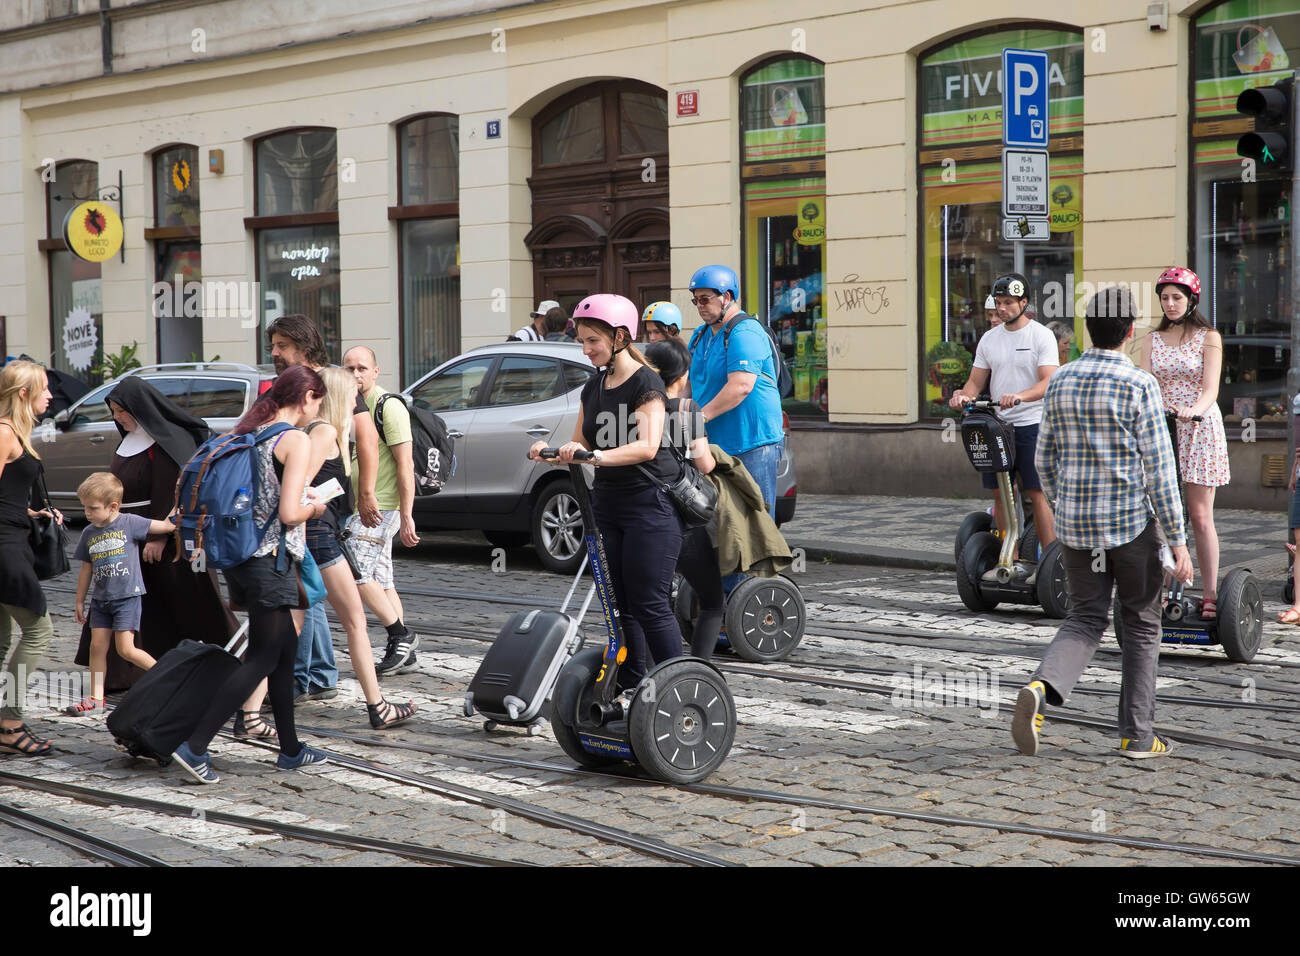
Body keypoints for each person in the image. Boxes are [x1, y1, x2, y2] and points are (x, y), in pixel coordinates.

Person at [1012, 285, 1192, 760]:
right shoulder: (1139, 384)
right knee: (1140, 623)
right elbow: (1159, 469)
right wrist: (1178, 541)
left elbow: (1044, 458)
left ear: (1088, 329)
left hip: (1075, 530)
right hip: (1131, 526)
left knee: (1085, 618)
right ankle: (1138, 736)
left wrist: (1066, 502)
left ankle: (1042, 686)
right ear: (1130, 331)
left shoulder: (1063, 380)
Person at [172, 365, 331, 784]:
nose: (319, 408)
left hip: (242, 558)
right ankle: (195, 746)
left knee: (284, 650)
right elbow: (290, 512)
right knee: (262, 656)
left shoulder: (251, 434)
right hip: (270, 560)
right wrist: (317, 506)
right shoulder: (293, 439)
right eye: (319, 400)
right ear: (307, 398)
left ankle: (291, 749)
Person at [529, 294, 685, 687]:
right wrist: (552, 453)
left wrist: (593, 456)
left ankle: (680, 686)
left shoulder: (647, 384)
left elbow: (647, 446)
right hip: (608, 506)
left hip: (651, 507)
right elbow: (579, 442)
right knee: (619, 606)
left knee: (649, 603)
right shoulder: (593, 386)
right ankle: (633, 686)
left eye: (592, 341)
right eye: (581, 341)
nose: (586, 349)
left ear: (619, 337)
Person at [70, 376, 234, 699]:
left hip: (162, 538)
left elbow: (172, 493)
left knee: (188, 607)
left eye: (120, 411)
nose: (117, 417)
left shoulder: (166, 442)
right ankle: (128, 673)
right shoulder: (129, 439)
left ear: (138, 408)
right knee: (141, 609)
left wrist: (161, 538)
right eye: (114, 411)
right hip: (128, 538)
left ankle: (224, 667)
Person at [299, 366, 416, 728]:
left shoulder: (335, 434)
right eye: (352, 395)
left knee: (291, 625)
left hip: (322, 535)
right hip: (318, 537)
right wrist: (315, 506)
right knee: (354, 621)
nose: (357, 402)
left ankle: (251, 707)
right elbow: (298, 489)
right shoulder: (324, 434)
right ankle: (377, 706)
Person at [948, 273, 1059, 574]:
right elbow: (973, 384)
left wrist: (1021, 397)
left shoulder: (1040, 336)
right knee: (1001, 491)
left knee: (1036, 493)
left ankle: (1050, 564)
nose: (1002, 309)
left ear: (1024, 303)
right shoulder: (989, 339)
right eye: (999, 303)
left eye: (1009, 303)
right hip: (999, 426)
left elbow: (1049, 380)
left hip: (1032, 423)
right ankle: (1007, 559)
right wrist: (961, 397)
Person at [1139, 267, 1230, 620]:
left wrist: (1193, 410)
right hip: (1164, 429)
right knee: (1163, 516)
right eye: (1165, 298)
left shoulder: (1209, 337)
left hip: (1199, 428)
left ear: (1191, 299)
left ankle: (1209, 594)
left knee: (1200, 516)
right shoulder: (1152, 340)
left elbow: (1211, 389)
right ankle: (1160, 592)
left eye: (1177, 297)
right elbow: (1147, 385)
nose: (1170, 303)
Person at [68, 472, 179, 714]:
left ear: (113, 506)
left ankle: (170, 678)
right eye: (85, 507)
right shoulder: (88, 532)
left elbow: (167, 527)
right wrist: (79, 600)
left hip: (127, 597)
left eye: (92, 508)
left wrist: (177, 504)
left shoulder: (130, 522)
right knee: (96, 647)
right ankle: (96, 698)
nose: (87, 513)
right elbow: (86, 570)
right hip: (100, 600)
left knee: (126, 649)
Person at [342, 346, 422, 675]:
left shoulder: (388, 406)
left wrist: (407, 515)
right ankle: (405, 654)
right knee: (382, 580)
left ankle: (401, 635)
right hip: (366, 504)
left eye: (362, 368)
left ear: (376, 372)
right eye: (349, 369)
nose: (356, 374)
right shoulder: (349, 406)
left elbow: (405, 465)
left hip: (381, 505)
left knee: (353, 570)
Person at [686, 265, 784, 519]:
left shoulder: (746, 331)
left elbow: (740, 386)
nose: (699, 306)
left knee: (756, 522)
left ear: (727, 297)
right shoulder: (700, 336)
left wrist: (698, 418)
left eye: (705, 299)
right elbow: (689, 382)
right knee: (724, 525)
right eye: (695, 300)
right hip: (714, 444)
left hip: (751, 444)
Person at [0, 361, 62, 756]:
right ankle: (10, 723)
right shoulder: (4, 433)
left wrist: (30, 513)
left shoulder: (15, 433)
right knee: (39, 630)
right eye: (44, 388)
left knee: (2, 638)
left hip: (12, 538)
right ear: (24, 393)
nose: (51, 395)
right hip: (4, 548)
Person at [645, 339, 721, 659]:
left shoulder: (632, 409)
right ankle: (697, 671)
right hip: (680, 517)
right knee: (714, 600)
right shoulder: (687, 409)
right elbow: (704, 464)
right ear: (683, 376)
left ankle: (647, 673)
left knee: (651, 605)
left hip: (642, 514)